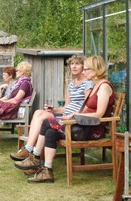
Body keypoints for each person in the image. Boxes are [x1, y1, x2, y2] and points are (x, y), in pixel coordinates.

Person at [18, 55, 115, 183]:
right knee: (50, 132)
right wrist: (68, 114)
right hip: (81, 125)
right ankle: (47, 170)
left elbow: (99, 114)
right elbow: (85, 109)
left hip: (92, 129)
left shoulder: (104, 87)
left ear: (96, 69)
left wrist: (74, 116)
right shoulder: (96, 86)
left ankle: (34, 156)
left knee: (48, 122)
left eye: (86, 69)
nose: (84, 72)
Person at [10, 55, 94, 166]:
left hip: (73, 119)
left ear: (84, 67)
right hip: (65, 116)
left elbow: (86, 106)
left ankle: (29, 151)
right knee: (38, 112)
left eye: (77, 64)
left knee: (41, 118)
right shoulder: (71, 84)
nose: (73, 66)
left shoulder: (88, 83)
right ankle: (31, 151)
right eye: (72, 64)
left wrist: (69, 115)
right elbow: (66, 107)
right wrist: (54, 110)